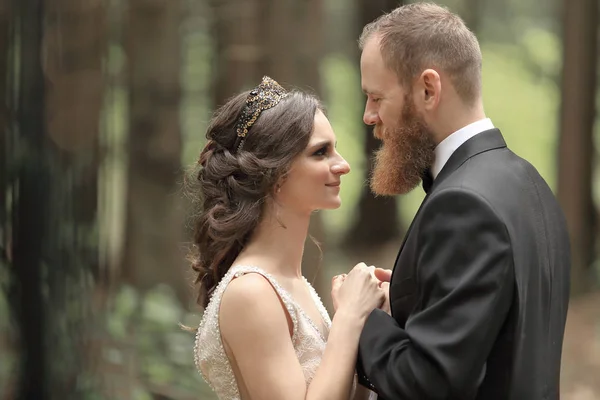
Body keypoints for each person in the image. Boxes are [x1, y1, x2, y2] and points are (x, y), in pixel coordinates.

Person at [343, 3, 571, 399]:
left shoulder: (464, 205)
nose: (368, 115)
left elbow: (428, 383)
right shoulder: (530, 183)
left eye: (377, 98)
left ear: (428, 89)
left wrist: (361, 317)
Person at [191, 76, 384, 400]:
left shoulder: (292, 283)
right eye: (321, 152)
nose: (344, 165)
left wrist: (369, 321)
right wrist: (349, 319)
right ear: (275, 173)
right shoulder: (250, 292)